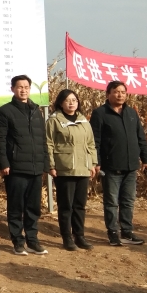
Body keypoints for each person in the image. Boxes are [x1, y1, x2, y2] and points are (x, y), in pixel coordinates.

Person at [90, 80, 147, 246]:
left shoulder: (131, 113)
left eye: (123, 92)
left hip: (131, 166)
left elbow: (141, 138)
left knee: (128, 201)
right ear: (108, 94)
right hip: (111, 167)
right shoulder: (100, 113)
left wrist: (146, 159)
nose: (120, 95)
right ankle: (113, 233)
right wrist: (96, 162)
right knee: (111, 203)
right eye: (116, 92)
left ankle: (127, 232)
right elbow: (95, 141)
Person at [0, 74, 49, 256]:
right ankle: (18, 242)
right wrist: (3, 162)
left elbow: (42, 140)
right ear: (12, 89)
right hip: (16, 167)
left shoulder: (36, 111)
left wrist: (45, 163)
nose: (23, 90)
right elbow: (1, 140)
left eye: (26, 87)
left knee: (33, 207)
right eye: (19, 87)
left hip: (35, 167)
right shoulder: (5, 111)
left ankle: (32, 240)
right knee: (16, 207)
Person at [45, 89, 97, 251]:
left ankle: (79, 236)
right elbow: (48, 144)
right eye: (67, 100)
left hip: (83, 167)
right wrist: (51, 165)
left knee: (80, 205)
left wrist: (93, 163)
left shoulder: (83, 120)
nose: (71, 103)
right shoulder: (54, 120)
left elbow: (90, 143)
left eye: (74, 100)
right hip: (64, 168)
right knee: (66, 205)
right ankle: (67, 237)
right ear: (61, 103)